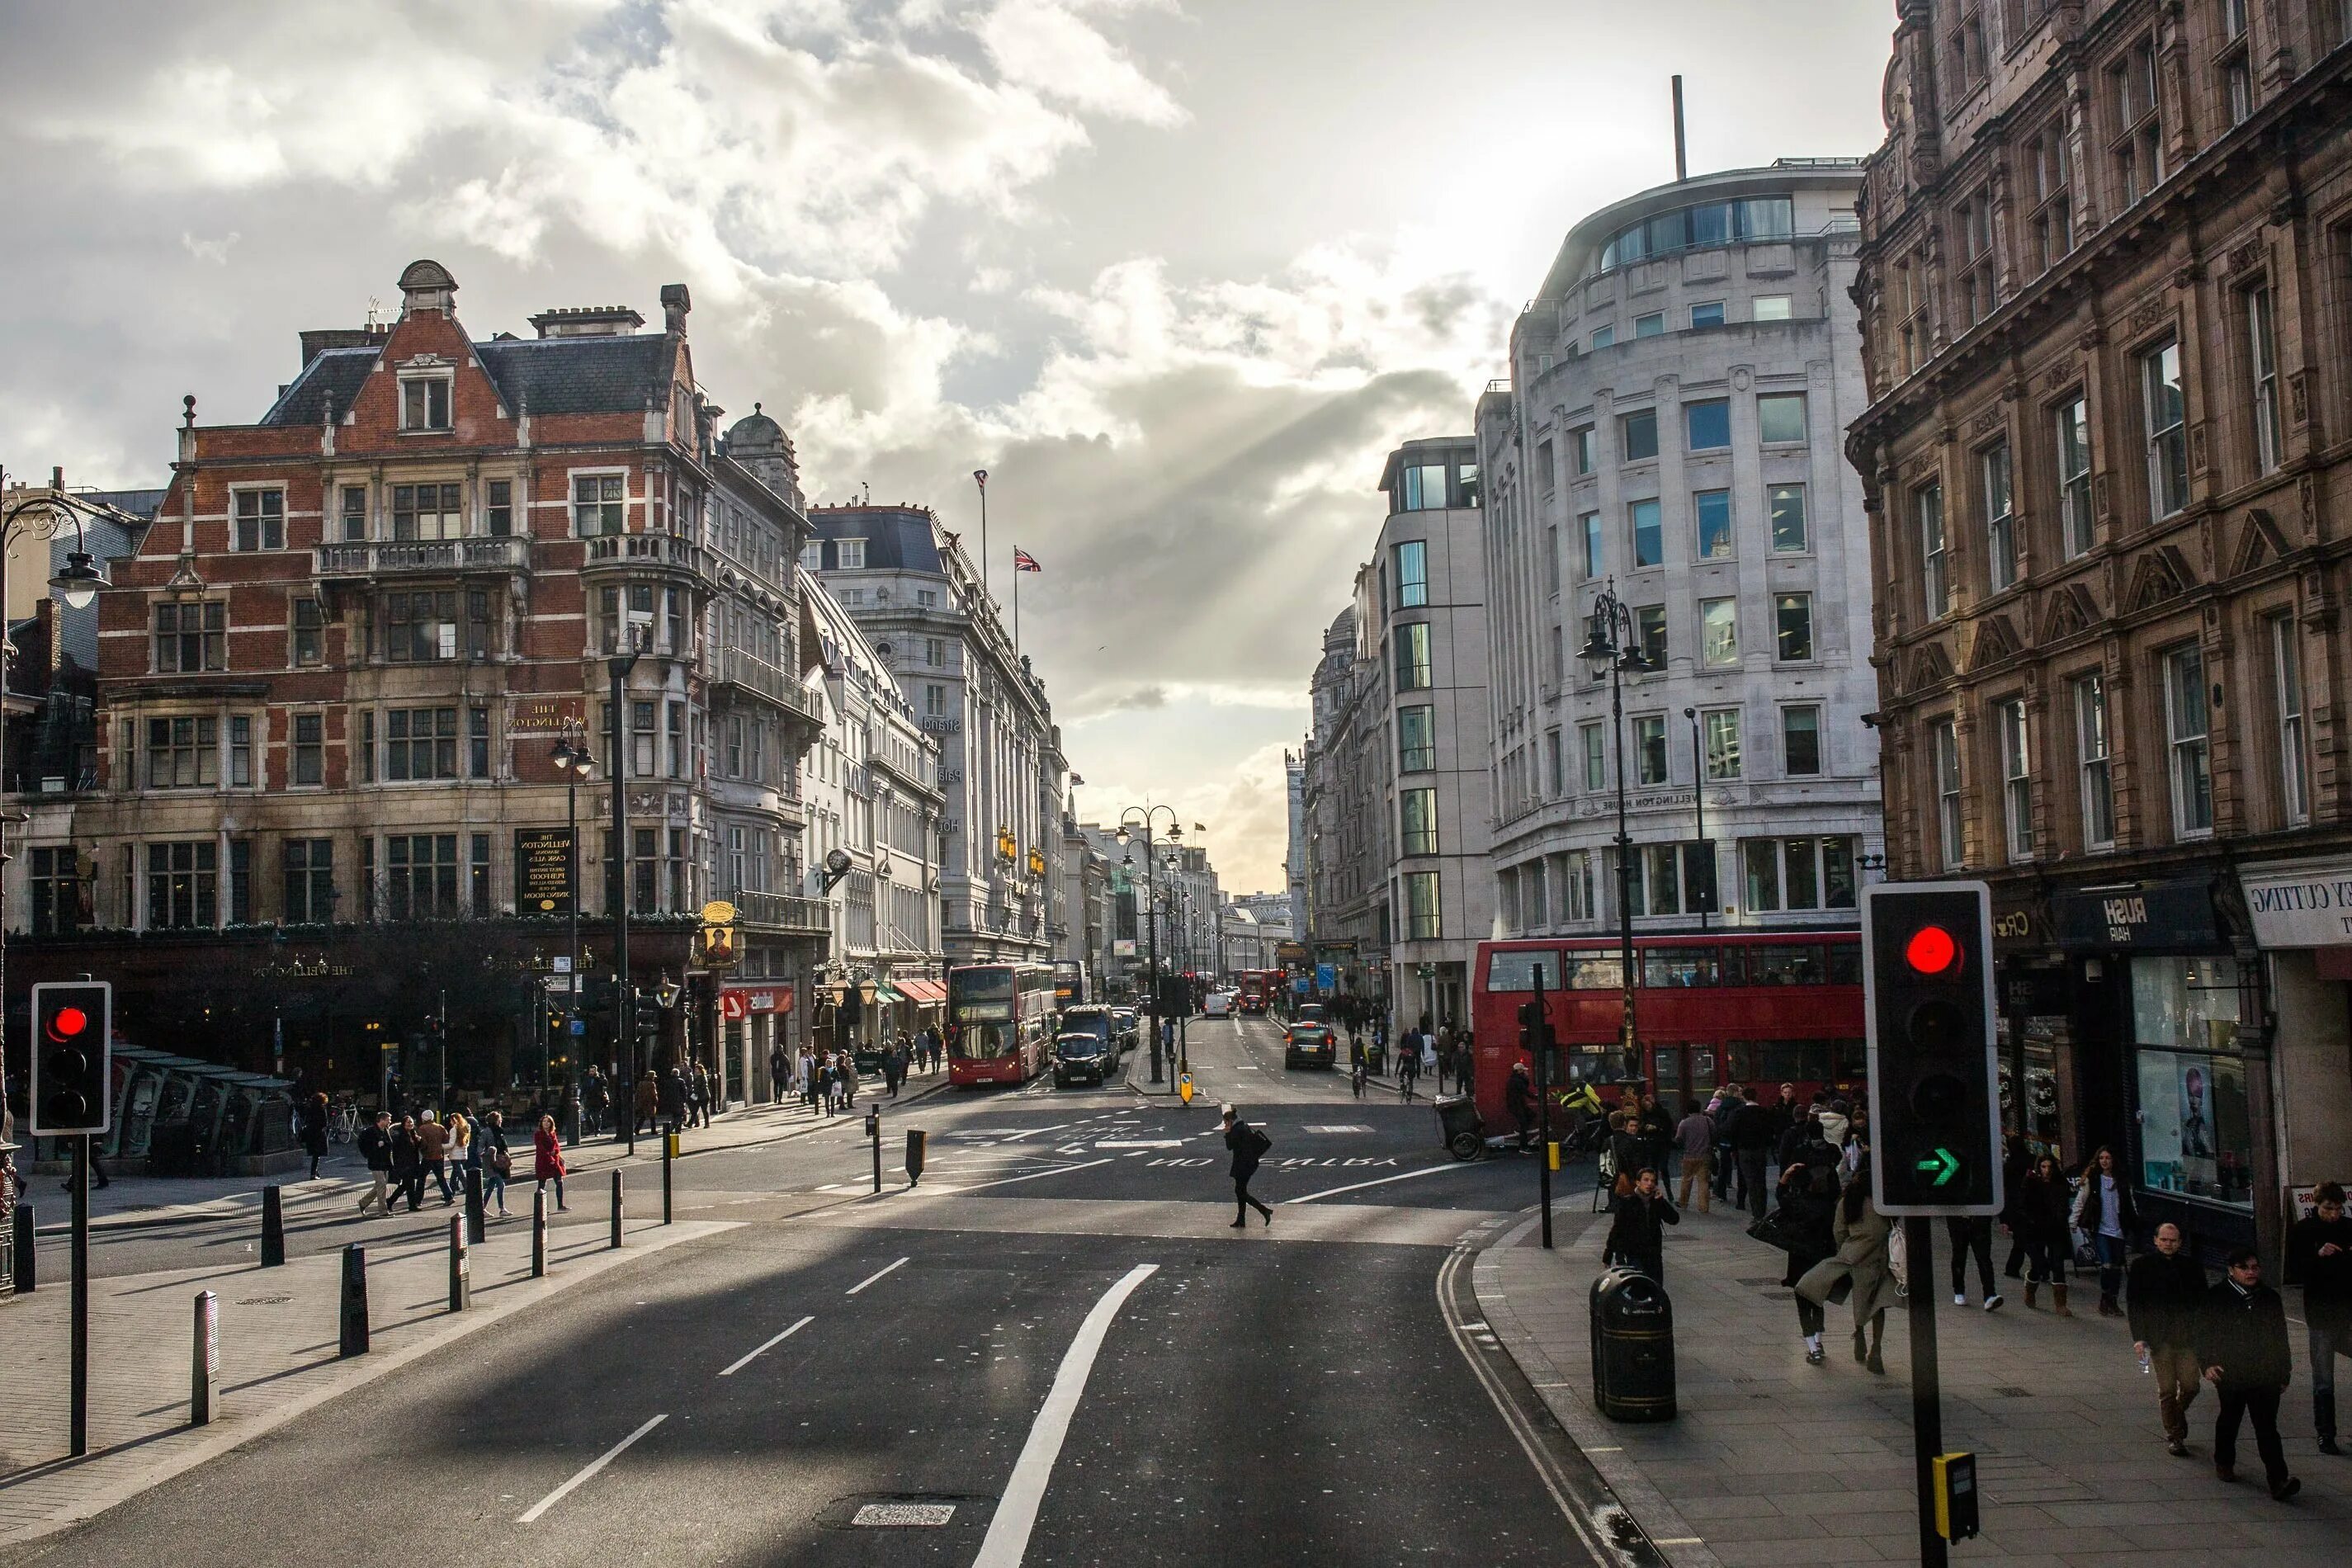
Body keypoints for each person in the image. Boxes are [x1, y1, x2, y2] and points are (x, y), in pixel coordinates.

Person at [2197, 1247, 2300, 1500]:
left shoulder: (2269, 1297)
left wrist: (2284, 1371)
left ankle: (2278, 1480)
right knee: (2230, 1418)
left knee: (2266, 1426)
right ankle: (2224, 1460)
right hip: (2231, 1372)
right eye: (2245, 1268)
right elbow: (2204, 1333)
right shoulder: (2217, 1297)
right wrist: (2208, 1363)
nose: (2251, 1272)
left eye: (2255, 1267)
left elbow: (2280, 1336)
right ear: (2231, 1271)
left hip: (2265, 1373)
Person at [1798, 1171, 1901, 1374]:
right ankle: (1876, 1349)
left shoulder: (1848, 1202)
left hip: (1854, 1257)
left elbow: (1839, 1231)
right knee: (1878, 1305)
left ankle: (1860, 1333)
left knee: (1860, 1300)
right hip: (1881, 1259)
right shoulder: (1882, 1204)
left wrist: (1846, 1250)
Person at [2129, 1221, 2208, 1456]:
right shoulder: (2142, 1266)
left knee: (2191, 1386)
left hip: (2187, 1337)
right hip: (2159, 1337)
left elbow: (2203, 1301)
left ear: (2180, 1243)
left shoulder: (2192, 1266)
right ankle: (2174, 1434)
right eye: (2163, 1239)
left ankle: (2177, 1415)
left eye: (2173, 1240)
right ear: (2155, 1240)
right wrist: (2139, 1337)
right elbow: (2135, 1304)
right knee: (2166, 1388)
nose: (2168, 1244)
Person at [2286, 1180, 2351, 1455]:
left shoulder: (2349, 1228)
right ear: (2316, 1205)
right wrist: (2317, 1255)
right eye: (2328, 1209)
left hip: (2347, 1309)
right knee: (2323, 1377)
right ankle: (2325, 1433)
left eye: (2338, 1209)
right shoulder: (2304, 1230)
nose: (2333, 1214)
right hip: (2321, 1312)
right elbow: (2294, 1270)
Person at [1775, 1145, 1841, 1363]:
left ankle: (1812, 1347)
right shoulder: (1830, 1207)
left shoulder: (1797, 1204)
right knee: (1818, 1301)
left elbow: (1781, 1196)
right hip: (1822, 1258)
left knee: (1802, 1303)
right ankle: (1819, 1340)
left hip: (1799, 1259)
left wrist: (1785, 1176)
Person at [2073, 1145, 2138, 1316]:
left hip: (2119, 1228)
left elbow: (2130, 1202)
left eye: (2107, 1158)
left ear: (2113, 1160)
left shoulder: (2122, 1180)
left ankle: (2113, 1300)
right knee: (2107, 1263)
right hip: (2100, 1228)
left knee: (2116, 1267)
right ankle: (2105, 1297)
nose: (2104, 1161)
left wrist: (2134, 1220)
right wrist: (2073, 1221)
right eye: (2101, 1158)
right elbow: (2081, 1200)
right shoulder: (2093, 1179)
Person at [2019, 1154, 2075, 1315]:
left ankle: (2060, 1304)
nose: (2047, 1170)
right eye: (2043, 1167)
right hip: (2037, 1229)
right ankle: (2030, 1289)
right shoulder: (2031, 1182)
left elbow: (2064, 1203)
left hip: (2056, 1229)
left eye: (2049, 1167)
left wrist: (2062, 1217)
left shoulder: (2060, 1183)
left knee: (2058, 1263)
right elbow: (2023, 1203)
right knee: (2038, 1265)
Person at [1604, 1167, 1679, 1282]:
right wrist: (1609, 1254)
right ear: (1638, 1182)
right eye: (1646, 1180)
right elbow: (1617, 1229)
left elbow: (1674, 1219)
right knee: (1639, 1288)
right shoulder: (1627, 1202)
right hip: (1635, 1254)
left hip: (1654, 1253)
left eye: (1653, 1181)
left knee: (1656, 1288)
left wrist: (1661, 1201)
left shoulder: (1656, 1201)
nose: (1649, 1183)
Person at [1221, 1104, 1272, 1227]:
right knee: (1240, 1191)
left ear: (1230, 1121)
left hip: (1244, 1165)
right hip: (1247, 1163)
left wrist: (1227, 1133)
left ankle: (1264, 1210)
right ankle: (1241, 1219)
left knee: (1240, 1191)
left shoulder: (1237, 1130)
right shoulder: (1242, 1127)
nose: (1225, 1125)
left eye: (1226, 1123)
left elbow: (1229, 1146)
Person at [1728, 1092, 1776, 1220]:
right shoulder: (1764, 1112)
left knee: (1750, 1181)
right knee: (1761, 1180)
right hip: (1760, 1150)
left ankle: (1756, 1213)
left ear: (1744, 1097)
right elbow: (1770, 1131)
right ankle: (1762, 1210)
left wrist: (1734, 1149)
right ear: (1756, 1097)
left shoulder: (1740, 1113)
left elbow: (1732, 1132)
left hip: (1744, 1150)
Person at [1945, 1213, 2001, 1310]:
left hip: (1978, 1218)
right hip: (1959, 1218)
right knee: (1960, 1255)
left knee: (1983, 1257)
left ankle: (1990, 1294)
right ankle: (1959, 1291)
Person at [1674, 1098, 1714, 1213]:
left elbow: (1678, 1139)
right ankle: (1703, 1207)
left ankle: (1683, 1202)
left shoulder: (1684, 1123)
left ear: (1688, 1110)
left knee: (1686, 1179)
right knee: (1703, 1182)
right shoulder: (1708, 1121)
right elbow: (1714, 1134)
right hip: (1704, 1155)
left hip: (1689, 1155)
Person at [356, 1111, 393, 1217]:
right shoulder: (370, 1132)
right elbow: (363, 1144)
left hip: (384, 1161)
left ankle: (363, 1203)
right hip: (375, 1162)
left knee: (379, 1186)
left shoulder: (385, 1130)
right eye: (388, 1120)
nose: (389, 1122)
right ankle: (383, 1211)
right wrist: (374, 1148)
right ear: (381, 1120)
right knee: (382, 1185)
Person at [390, 1113, 425, 1212]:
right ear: (403, 1124)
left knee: (405, 1186)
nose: (410, 1124)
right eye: (408, 1122)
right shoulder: (400, 1135)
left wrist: (419, 1141)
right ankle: (412, 1205)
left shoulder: (413, 1134)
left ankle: (390, 1202)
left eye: (412, 1122)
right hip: (404, 1165)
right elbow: (399, 1150)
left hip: (412, 1163)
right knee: (410, 1186)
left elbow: (416, 1148)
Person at [533, 1112, 569, 1212]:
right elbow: (541, 1148)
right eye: (544, 1121)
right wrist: (550, 1158)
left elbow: (557, 1146)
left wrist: (556, 1152)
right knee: (542, 1184)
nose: (546, 1123)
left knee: (559, 1182)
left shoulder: (553, 1133)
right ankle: (540, 1208)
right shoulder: (538, 1134)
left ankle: (560, 1205)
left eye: (548, 1122)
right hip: (543, 1161)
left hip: (555, 1162)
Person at [1505, 1062, 1537, 1153]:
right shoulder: (1517, 1081)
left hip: (1517, 1104)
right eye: (1523, 1071)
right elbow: (1526, 1091)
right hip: (1516, 1105)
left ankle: (1520, 1130)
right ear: (1519, 1071)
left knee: (1531, 1115)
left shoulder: (1515, 1079)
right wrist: (1538, 1098)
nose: (1525, 1072)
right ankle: (1523, 1147)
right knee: (1524, 1123)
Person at [300, 1092, 330, 1180]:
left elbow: (306, 1120)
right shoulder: (322, 1109)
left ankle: (315, 1172)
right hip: (319, 1133)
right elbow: (324, 1123)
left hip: (310, 1133)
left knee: (314, 1153)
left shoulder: (310, 1109)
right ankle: (313, 1173)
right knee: (317, 1154)